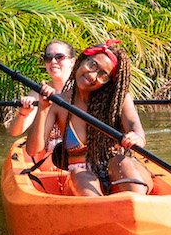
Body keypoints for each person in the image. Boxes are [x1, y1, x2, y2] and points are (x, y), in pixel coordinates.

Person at [27, 39, 151, 196]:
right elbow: (32, 150)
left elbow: (135, 126)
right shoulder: (58, 103)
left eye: (103, 75)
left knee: (123, 163)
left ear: (108, 81)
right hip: (79, 176)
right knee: (82, 175)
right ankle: (97, 211)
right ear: (81, 60)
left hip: (115, 169)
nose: (93, 76)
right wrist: (43, 110)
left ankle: (136, 206)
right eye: (92, 65)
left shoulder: (118, 100)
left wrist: (137, 137)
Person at [7, 40, 76, 139]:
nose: (53, 61)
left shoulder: (82, 91)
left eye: (59, 57)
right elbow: (14, 132)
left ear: (72, 62)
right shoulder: (37, 94)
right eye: (48, 58)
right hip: (47, 149)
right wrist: (23, 114)